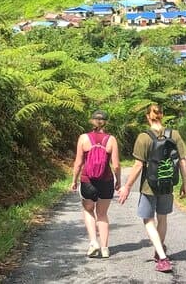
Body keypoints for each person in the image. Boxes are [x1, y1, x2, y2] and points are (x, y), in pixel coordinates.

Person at [117, 103, 186, 273]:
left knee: (148, 220)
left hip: (149, 186)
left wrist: (126, 187)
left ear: (147, 116)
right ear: (162, 115)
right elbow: (183, 161)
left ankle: (162, 258)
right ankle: (159, 251)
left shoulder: (144, 137)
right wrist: (185, 183)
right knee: (162, 218)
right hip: (167, 184)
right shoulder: (174, 134)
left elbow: (138, 166)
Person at [71, 109, 121, 258]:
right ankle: (105, 248)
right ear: (106, 122)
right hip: (106, 181)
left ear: (92, 121)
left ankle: (94, 243)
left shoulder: (83, 138)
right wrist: (118, 181)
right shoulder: (111, 139)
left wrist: (74, 180)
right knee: (103, 214)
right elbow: (116, 165)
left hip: (88, 181)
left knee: (88, 210)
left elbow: (79, 162)